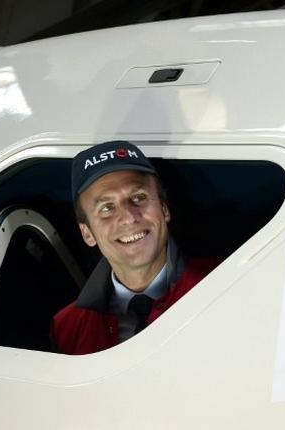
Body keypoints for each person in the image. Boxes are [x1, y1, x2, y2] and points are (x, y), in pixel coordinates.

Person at [51, 140, 219, 355]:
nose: (129, 217)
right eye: (107, 208)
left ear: (164, 209)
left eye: (138, 198)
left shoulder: (227, 283)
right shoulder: (67, 329)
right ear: (88, 233)